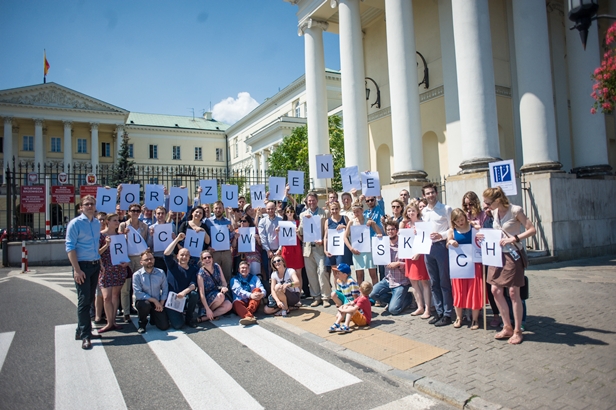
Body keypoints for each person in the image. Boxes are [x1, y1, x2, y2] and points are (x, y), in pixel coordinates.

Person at [482, 186, 536, 345]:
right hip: (497, 255)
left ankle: (518, 330)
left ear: (497, 200)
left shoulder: (515, 210)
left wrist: (515, 238)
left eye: (488, 202)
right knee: (495, 290)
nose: (485, 205)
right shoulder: (493, 212)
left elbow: (532, 229)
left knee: (513, 292)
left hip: (512, 255)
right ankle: (507, 326)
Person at [66, 195, 103, 350]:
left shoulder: (96, 223)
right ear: (81, 207)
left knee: (89, 300)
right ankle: (86, 336)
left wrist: (100, 263)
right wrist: (76, 269)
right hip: (82, 267)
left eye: (92, 204)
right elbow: (70, 247)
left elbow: (95, 246)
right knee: (83, 301)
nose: (89, 206)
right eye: (86, 204)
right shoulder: (75, 224)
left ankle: (80, 330)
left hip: (94, 265)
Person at [422, 182, 453, 327]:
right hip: (428, 248)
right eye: (427, 193)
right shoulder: (423, 212)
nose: (430, 195)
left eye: (432, 192)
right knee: (434, 282)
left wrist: (441, 235)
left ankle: (447, 313)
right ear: (424, 196)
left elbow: (452, 229)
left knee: (444, 281)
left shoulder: (446, 209)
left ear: (436, 193)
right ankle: (439, 311)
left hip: (441, 246)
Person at [447, 209, 484, 330]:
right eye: (457, 221)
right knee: (458, 291)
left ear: (465, 217)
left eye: (462, 219)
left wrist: (478, 228)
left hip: (474, 264)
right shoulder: (452, 230)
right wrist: (451, 241)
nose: (460, 222)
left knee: (475, 291)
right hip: (459, 266)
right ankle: (459, 317)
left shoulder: (473, 227)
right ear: (454, 221)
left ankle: (474, 319)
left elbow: (481, 238)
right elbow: (447, 244)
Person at [369, 219, 413, 315]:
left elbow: (411, 264)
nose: (390, 231)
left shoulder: (404, 244)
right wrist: (377, 240)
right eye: (388, 230)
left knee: (393, 310)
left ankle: (408, 299)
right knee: (372, 294)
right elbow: (375, 255)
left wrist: (398, 264)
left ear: (397, 230)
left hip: (401, 282)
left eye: (392, 229)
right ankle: (395, 300)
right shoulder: (383, 244)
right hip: (388, 279)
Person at [400, 200, 432, 319]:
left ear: (417, 211)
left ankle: (428, 308)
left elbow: (426, 240)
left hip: (420, 255)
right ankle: (420, 307)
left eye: (413, 210)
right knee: (413, 282)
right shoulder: (407, 224)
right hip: (409, 256)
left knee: (424, 282)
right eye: (408, 211)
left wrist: (419, 252)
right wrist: (403, 223)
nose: (410, 212)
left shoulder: (422, 223)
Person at [298, 192, 330, 307]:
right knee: (311, 273)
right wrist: (303, 222)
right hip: (307, 248)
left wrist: (323, 240)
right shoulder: (303, 215)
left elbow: (328, 230)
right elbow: (300, 232)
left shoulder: (324, 213)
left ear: (317, 200)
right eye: (309, 201)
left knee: (322, 271)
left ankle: (325, 297)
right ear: (307, 202)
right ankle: (316, 297)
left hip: (320, 247)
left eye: (313, 200)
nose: (311, 202)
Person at [97, 213, 128, 333]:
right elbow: (97, 252)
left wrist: (126, 262)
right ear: (107, 222)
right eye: (114, 220)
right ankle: (109, 322)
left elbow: (124, 252)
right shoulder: (100, 236)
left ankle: (113, 321)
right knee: (106, 297)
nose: (117, 222)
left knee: (115, 295)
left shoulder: (120, 236)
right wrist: (107, 245)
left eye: (118, 220)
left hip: (118, 269)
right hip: (106, 268)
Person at [118, 203, 149, 323]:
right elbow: (118, 241)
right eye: (133, 210)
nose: (135, 212)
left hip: (140, 258)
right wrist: (122, 234)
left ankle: (141, 310)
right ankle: (126, 312)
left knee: (140, 286)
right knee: (126, 287)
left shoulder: (144, 226)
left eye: (138, 210)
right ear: (128, 212)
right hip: (127, 258)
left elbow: (145, 241)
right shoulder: (123, 225)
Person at [164, 233, 199, 329]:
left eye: (187, 255)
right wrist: (177, 240)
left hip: (184, 296)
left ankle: (189, 317)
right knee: (178, 325)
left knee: (194, 295)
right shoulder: (172, 265)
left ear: (189, 257)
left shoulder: (193, 269)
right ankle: (175, 314)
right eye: (182, 255)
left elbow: (193, 285)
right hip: (172, 299)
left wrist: (183, 293)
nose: (184, 257)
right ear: (177, 256)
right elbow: (166, 253)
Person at [344, 200, 381, 285]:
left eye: (357, 211)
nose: (356, 213)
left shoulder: (368, 221)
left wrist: (374, 224)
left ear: (362, 210)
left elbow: (379, 233)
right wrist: (351, 248)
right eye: (354, 212)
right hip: (357, 251)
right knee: (359, 275)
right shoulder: (351, 222)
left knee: (373, 274)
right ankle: (361, 294)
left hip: (368, 250)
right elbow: (345, 237)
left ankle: (375, 294)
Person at [132, 249, 170, 333]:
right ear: (141, 262)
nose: (149, 261)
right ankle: (142, 324)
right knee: (144, 305)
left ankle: (154, 317)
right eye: (146, 259)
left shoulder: (160, 272)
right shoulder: (137, 275)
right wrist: (154, 300)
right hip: (144, 302)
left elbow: (165, 289)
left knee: (164, 326)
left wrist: (161, 303)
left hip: (158, 302)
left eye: (151, 259)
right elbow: (138, 293)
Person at [196, 250, 232, 322]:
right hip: (207, 298)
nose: (207, 259)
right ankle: (206, 311)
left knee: (229, 305)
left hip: (217, 293)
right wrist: (207, 308)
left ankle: (206, 317)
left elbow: (223, 282)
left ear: (212, 258)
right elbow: (202, 293)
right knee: (220, 296)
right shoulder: (201, 274)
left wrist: (224, 287)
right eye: (205, 258)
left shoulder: (217, 266)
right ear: (202, 261)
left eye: (209, 257)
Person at [279, 205, 307, 296]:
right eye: (287, 211)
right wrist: (277, 231)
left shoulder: (298, 222)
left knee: (298, 273)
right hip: (286, 250)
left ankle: (298, 294)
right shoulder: (282, 223)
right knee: (287, 273)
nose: (290, 213)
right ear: (285, 213)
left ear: (294, 212)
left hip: (296, 249)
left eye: (291, 211)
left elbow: (302, 239)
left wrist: (297, 233)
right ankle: (289, 294)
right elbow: (280, 239)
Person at [230, 261, 266, 326]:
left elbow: (261, 288)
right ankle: (249, 316)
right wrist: (250, 295)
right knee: (235, 303)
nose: (244, 270)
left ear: (249, 270)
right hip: (241, 302)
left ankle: (248, 313)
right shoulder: (234, 279)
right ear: (239, 270)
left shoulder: (255, 278)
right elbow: (239, 291)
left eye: (246, 268)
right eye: (242, 268)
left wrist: (262, 294)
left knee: (257, 290)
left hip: (253, 302)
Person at [208, 201, 235, 284]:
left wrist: (231, 231)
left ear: (223, 209)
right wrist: (208, 246)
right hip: (214, 251)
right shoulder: (207, 221)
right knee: (214, 272)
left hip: (226, 251)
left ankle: (227, 292)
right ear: (213, 209)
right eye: (216, 208)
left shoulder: (228, 221)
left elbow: (231, 236)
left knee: (227, 273)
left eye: (220, 208)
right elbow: (206, 236)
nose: (218, 210)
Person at [323, 201, 352, 272]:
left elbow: (351, 233)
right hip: (332, 249)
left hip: (343, 249)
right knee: (335, 272)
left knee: (344, 271)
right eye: (332, 209)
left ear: (339, 209)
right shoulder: (327, 221)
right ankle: (337, 284)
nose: (334, 211)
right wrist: (325, 250)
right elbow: (325, 236)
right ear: (330, 210)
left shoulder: (345, 218)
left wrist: (345, 227)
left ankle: (346, 283)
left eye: (336, 209)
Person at [258, 201, 282, 281]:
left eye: (272, 209)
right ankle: (271, 290)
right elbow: (262, 236)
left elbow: (283, 236)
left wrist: (280, 249)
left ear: (275, 209)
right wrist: (268, 250)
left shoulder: (281, 220)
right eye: (268, 209)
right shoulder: (262, 221)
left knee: (280, 271)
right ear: (266, 209)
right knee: (268, 272)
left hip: (279, 251)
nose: (270, 210)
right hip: (267, 252)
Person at [147, 205, 171, 271]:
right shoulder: (151, 227)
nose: (160, 215)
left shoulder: (172, 226)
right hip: (157, 257)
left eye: (162, 213)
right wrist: (151, 236)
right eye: (158, 213)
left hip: (169, 257)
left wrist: (174, 238)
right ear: (155, 215)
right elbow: (149, 245)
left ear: (166, 214)